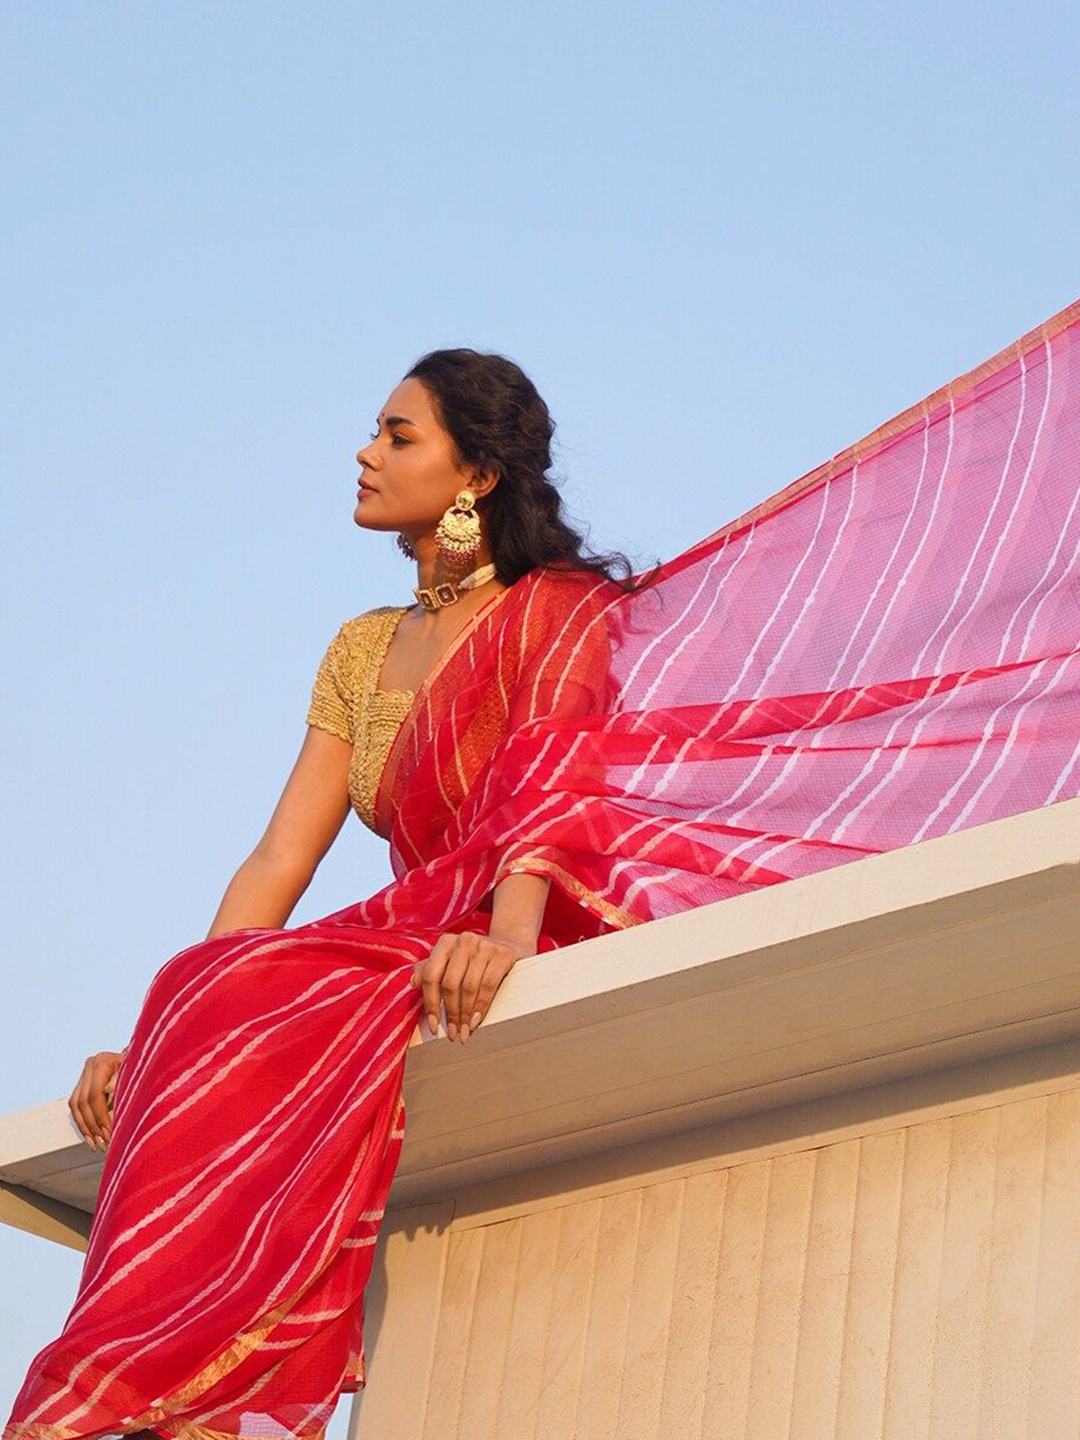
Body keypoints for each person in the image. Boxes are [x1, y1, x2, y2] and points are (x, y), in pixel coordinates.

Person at [8, 303, 1080, 1440]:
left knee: (245, 995)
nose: (364, 453)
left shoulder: (556, 612)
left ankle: (167, 1383)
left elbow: (552, 788)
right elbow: (283, 853)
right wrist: (165, 1031)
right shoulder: (360, 645)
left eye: (397, 433)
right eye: (373, 432)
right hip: (405, 919)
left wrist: (508, 938)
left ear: (475, 471)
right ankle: (150, 1379)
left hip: (532, 901)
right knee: (198, 986)